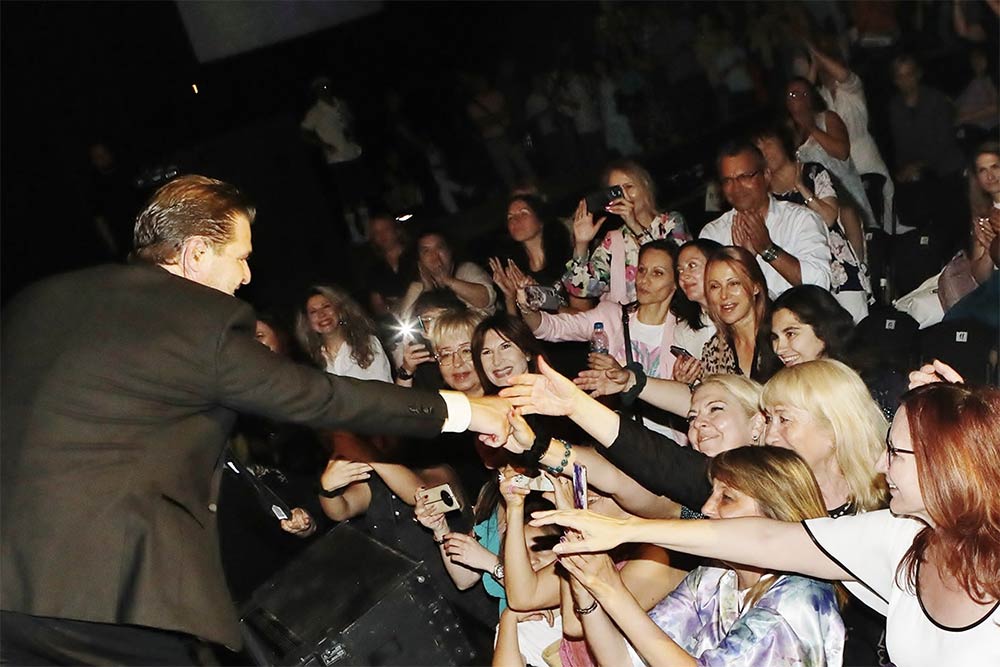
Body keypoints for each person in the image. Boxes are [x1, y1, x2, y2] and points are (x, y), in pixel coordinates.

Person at [0, 175, 511, 664]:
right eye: (240, 258)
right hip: (99, 593)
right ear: (197, 252)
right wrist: (464, 408)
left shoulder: (40, 300)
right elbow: (318, 397)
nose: (247, 275)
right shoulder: (196, 319)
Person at [532, 380, 1000, 667]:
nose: (880, 464)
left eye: (895, 451)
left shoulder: (796, 602)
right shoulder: (896, 539)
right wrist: (618, 538)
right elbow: (760, 537)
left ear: (945, 463)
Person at [557, 447, 844, 667]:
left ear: (775, 512)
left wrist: (613, 589)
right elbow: (625, 659)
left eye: (727, 497)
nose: (706, 507)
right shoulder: (716, 575)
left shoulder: (796, 599)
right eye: (712, 493)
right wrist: (591, 589)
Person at [752, 123, 870, 321]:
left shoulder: (812, 172)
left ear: (783, 143)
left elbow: (829, 217)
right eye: (758, 148)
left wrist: (802, 188)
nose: (765, 152)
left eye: (769, 143)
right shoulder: (765, 196)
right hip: (801, 275)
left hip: (838, 267)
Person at [699, 141, 832, 298]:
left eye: (744, 177)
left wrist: (768, 250)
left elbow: (819, 284)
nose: (736, 187)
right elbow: (710, 297)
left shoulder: (800, 219)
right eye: (728, 180)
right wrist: (744, 260)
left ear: (766, 175)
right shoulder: (713, 233)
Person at [562, 160, 688, 305]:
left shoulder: (671, 222)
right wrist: (581, 244)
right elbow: (581, 288)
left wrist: (634, 225)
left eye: (629, 187)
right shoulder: (615, 240)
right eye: (616, 191)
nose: (624, 196)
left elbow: (676, 270)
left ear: (645, 186)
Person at [805, 39, 895, 234]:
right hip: (842, 168)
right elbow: (803, 95)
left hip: (865, 156)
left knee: (884, 215)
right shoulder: (820, 97)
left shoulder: (852, 86)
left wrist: (814, 50)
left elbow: (842, 74)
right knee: (859, 223)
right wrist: (813, 64)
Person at [695, 246, 781, 382]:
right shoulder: (715, 350)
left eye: (734, 283)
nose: (723, 295)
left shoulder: (781, 336)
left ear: (755, 286)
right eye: (715, 286)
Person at [489, 193, 573, 316]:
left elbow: (584, 316)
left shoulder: (568, 258)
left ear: (541, 220)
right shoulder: (515, 271)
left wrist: (542, 297)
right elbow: (518, 328)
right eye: (510, 217)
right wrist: (510, 297)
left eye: (523, 213)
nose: (515, 220)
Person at [295, 285, 393, 383]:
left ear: (340, 310)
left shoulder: (367, 344)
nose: (321, 314)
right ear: (307, 321)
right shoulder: (309, 360)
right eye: (313, 312)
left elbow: (386, 389)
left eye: (326, 306)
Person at [399, 229, 497, 316]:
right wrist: (427, 291)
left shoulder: (467, 270)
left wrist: (447, 280)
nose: (434, 255)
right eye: (426, 251)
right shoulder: (417, 287)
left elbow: (486, 299)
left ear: (450, 251)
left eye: (439, 248)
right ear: (419, 260)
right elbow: (405, 323)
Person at [672, 239, 721, 360]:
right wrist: (682, 379)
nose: (684, 276)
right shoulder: (683, 330)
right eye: (680, 270)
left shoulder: (743, 315)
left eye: (692, 265)